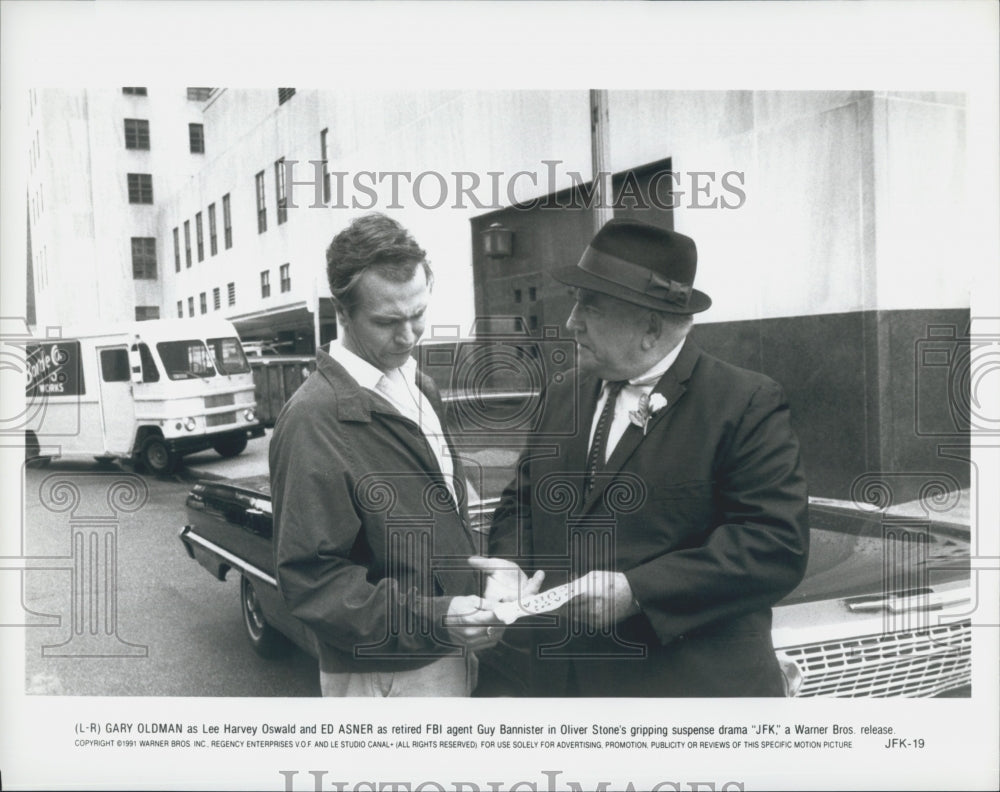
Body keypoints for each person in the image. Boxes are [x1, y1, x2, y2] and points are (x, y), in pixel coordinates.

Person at [481, 219, 809, 697]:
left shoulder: (742, 403)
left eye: (589, 306)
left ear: (650, 328)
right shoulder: (563, 396)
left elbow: (774, 546)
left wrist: (639, 591)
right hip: (564, 687)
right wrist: (510, 564)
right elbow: (520, 504)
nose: (572, 321)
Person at [270, 213, 501, 697]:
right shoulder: (313, 418)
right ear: (343, 311)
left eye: (418, 314)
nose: (408, 335)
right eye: (387, 322)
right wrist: (438, 617)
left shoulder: (420, 386)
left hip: (446, 648)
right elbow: (314, 583)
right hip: (386, 676)